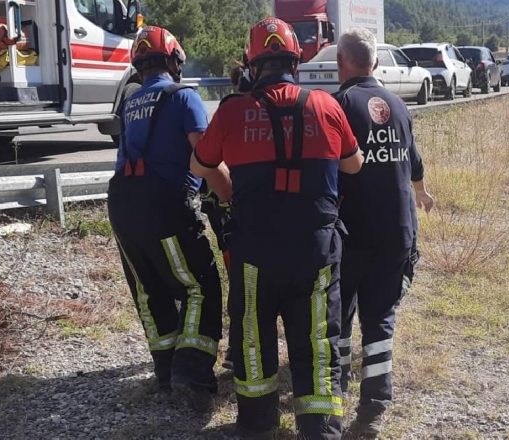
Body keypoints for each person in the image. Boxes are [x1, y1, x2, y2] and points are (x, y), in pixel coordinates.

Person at [192, 17, 364, 439]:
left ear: (253, 65)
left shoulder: (233, 110)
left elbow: (200, 165)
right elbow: (354, 164)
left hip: (255, 247)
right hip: (316, 247)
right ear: (296, 61)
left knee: (253, 335)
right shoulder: (326, 105)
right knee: (319, 338)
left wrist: (235, 194)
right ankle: (320, 427)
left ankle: (257, 423)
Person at [107, 26, 231, 412]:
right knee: (201, 284)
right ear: (175, 61)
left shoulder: (128, 102)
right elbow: (207, 157)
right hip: (163, 202)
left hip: (121, 203)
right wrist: (233, 197)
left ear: (138, 65)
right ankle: (191, 372)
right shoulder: (185, 97)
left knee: (149, 288)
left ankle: (165, 369)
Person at [332, 28, 435, 439]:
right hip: (397, 232)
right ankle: (373, 410)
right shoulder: (397, 104)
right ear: (375, 62)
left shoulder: (339, 104)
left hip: (352, 233)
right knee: (380, 322)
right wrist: (422, 192)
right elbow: (413, 158)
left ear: (341, 63)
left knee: (338, 319)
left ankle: (333, 402)